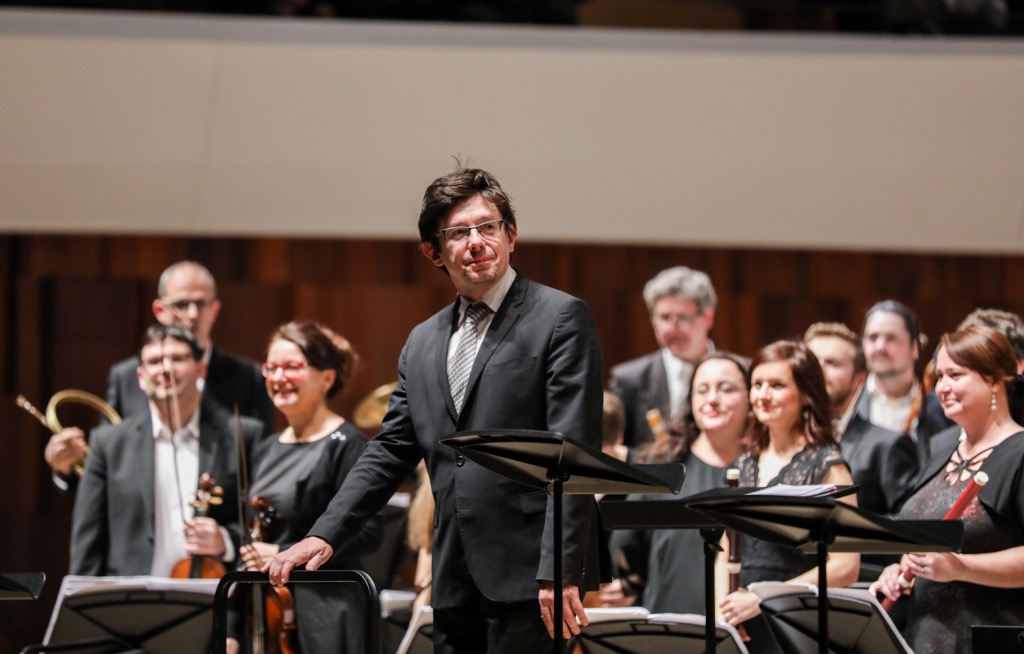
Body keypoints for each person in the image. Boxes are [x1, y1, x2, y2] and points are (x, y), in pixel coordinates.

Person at [264, 166, 604, 653]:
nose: (477, 242)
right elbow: (390, 450)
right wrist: (326, 534)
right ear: (433, 252)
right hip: (453, 574)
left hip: (533, 573)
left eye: (488, 227)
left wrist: (560, 568)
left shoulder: (560, 317)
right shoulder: (423, 341)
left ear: (511, 236)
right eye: (458, 233)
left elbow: (573, 453)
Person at [45, 261, 274, 489]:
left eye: (201, 304)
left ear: (214, 310)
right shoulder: (125, 377)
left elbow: (261, 464)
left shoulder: (249, 377)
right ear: (159, 310)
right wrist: (65, 468)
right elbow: (107, 464)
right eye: (181, 304)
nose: (193, 314)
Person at [226, 321, 381, 654]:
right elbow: (252, 540)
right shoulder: (265, 449)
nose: (279, 377)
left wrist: (285, 552)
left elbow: (369, 531)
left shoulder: (347, 444)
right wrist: (233, 628)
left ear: (327, 378)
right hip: (267, 613)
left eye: (292, 367)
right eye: (271, 368)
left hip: (327, 610)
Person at [871, 325, 1024, 654]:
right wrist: (901, 567)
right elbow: (925, 539)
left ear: (994, 380)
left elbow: (953, 559)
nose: (942, 387)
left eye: (955, 375)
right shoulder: (941, 446)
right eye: (939, 376)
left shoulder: (1020, 452)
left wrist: (961, 567)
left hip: (988, 641)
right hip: (922, 636)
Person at [70, 324, 263, 576]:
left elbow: (259, 521)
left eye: (178, 358)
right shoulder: (108, 443)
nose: (166, 368)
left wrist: (226, 540)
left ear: (201, 369)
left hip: (215, 591)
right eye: (155, 361)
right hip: (131, 594)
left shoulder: (241, 435)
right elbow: (88, 539)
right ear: (141, 377)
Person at [718, 340, 859, 653]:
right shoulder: (742, 465)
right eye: (757, 384)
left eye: (777, 385)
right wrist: (721, 613)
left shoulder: (828, 466)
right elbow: (725, 549)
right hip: (741, 622)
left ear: (807, 394)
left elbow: (846, 566)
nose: (763, 395)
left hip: (795, 625)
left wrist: (765, 598)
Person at [603, 352, 750, 614]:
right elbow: (627, 547)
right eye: (702, 390)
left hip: (743, 624)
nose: (712, 399)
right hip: (667, 618)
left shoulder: (766, 469)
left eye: (726, 389)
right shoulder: (664, 467)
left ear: (750, 397)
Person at [804, 322, 918, 517]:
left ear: (859, 380)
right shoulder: (775, 438)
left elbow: (910, 521)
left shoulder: (888, 446)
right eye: (812, 363)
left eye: (832, 363)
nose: (819, 371)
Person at [608, 266, 717, 449]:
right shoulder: (629, 380)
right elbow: (615, 452)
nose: (672, 329)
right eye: (665, 318)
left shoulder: (743, 374)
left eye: (683, 318)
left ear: (708, 318)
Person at [858, 300, 952, 466]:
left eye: (891, 338)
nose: (880, 347)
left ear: (915, 347)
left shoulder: (942, 409)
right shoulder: (848, 407)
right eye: (872, 338)